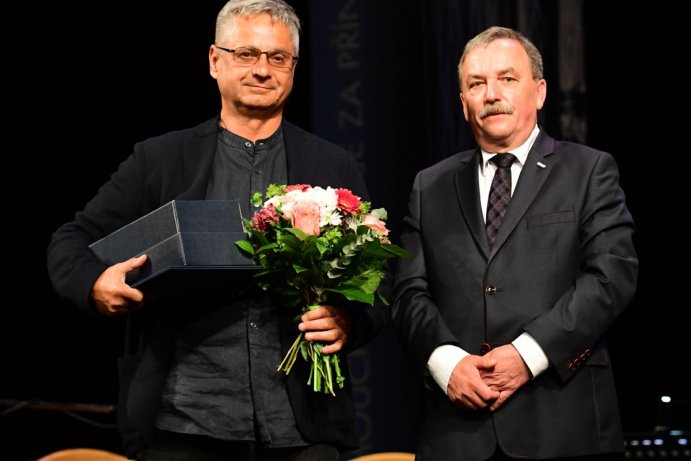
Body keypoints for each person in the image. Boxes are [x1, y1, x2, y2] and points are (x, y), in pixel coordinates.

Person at [46, 1, 387, 460]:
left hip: (303, 426)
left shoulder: (332, 164)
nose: (262, 70)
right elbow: (71, 242)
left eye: (277, 57)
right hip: (183, 422)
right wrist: (95, 283)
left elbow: (383, 277)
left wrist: (349, 319)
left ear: (294, 68)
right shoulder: (161, 160)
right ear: (214, 60)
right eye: (246, 54)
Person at [391, 26, 637, 461]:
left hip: (564, 425)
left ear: (539, 92)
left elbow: (610, 276)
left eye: (507, 78)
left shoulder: (589, 170)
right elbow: (408, 291)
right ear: (463, 102)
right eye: (476, 83)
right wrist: (446, 363)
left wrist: (528, 355)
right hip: (457, 432)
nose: (491, 94)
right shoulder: (429, 186)